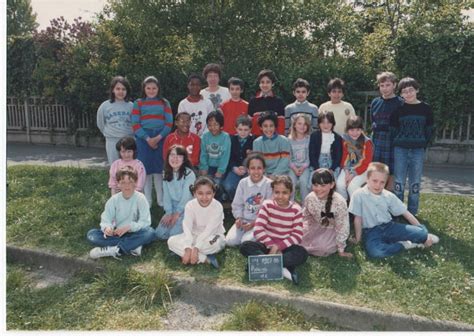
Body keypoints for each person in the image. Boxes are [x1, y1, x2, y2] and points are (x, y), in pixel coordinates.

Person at [348, 162, 439, 259]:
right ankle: (403, 245)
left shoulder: (388, 195)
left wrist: (423, 233)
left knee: (422, 233)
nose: (378, 185)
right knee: (376, 252)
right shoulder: (358, 195)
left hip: (389, 227)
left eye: (382, 182)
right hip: (371, 231)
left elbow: (406, 214)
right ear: (367, 179)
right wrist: (358, 239)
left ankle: (424, 235)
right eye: (375, 181)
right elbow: (357, 218)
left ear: (386, 182)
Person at [240, 176, 308, 285]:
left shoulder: (296, 209)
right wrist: (272, 246)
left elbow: (297, 235)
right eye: (277, 192)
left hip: (285, 247)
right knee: (245, 246)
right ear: (272, 192)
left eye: (284, 193)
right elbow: (258, 229)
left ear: (290, 192)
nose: (280, 196)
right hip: (266, 245)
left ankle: (260, 264)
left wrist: (278, 247)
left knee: (302, 253)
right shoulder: (267, 205)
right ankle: (284, 269)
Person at [87, 167, 156, 259]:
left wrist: (130, 227)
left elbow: (145, 222)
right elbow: (106, 218)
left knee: (150, 232)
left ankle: (115, 250)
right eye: (123, 182)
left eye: (130, 182)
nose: (127, 186)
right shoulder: (114, 200)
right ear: (118, 184)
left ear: (135, 183)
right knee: (92, 234)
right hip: (117, 234)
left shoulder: (141, 198)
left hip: (135, 232)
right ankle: (133, 246)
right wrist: (107, 227)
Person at [390, 77, 434, 215]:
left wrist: (422, 143)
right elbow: (393, 130)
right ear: (401, 94)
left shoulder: (426, 109)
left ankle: (412, 212)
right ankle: (398, 212)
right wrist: (400, 141)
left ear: (417, 90)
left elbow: (429, 130)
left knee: (415, 183)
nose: (408, 94)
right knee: (399, 182)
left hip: (417, 150)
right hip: (400, 150)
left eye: (411, 90)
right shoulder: (398, 109)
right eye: (404, 91)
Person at [131, 76, 173, 208]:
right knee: (146, 170)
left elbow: (169, 122)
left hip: (161, 138)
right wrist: (148, 138)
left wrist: (158, 137)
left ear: (158, 88)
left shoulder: (164, 102)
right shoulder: (138, 103)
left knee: (159, 169)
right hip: (144, 139)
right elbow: (135, 124)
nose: (151, 90)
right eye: (148, 88)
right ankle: (147, 199)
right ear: (144, 88)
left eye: (154, 88)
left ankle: (160, 199)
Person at [167, 176, 226, 268]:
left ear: (214, 193)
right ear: (194, 194)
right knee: (171, 241)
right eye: (200, 193)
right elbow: (187, 226)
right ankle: (204, 258)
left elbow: (209, 230)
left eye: (208, 193)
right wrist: (187, 247)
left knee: (215, 244)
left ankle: (189, 252)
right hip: (194, 235)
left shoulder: (217, 206)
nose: (204, 197)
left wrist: (196, 247)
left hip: (213, 235)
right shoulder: (190, 205)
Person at [300, 168, 352, 258]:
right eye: (315, 185)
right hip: (314, 225)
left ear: (332, 185)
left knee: (323, 248)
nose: (318, 189)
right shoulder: (310, 198)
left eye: (323, 185)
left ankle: (315, 247)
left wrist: (341, 249)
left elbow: (343, 227)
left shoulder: (339, 202)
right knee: (297, 237)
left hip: (331, 229)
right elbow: (305, 216)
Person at [225, 153, 272, 247]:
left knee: (246, 242)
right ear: (248, 170)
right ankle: (247, 235)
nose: (256, 171)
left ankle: (259, 234)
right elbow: (237, 204)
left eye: (259, 168)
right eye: (252, 168)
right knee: (230, 241)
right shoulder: (243, 183)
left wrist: (254, 223)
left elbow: (269, 210)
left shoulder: (269, 184)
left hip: (260, 221)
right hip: (244, 220)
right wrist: (239, 218)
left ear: (264, 169)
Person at [370, 72, 404, 190]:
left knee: (391, 173)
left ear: (394, 85)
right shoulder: (375, 102)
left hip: (393, 143)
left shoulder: (401, 103)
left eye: (388, 85)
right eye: (382, 85)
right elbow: (373, 121)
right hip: (377, 141)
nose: (384, 88)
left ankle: (389, 203)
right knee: (376, 171)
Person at [155, 145, 196, 240]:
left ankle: (189, 227)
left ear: (184, 159)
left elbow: (187, 196)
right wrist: (168, 212)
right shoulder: (166, 172)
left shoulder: (189, 174)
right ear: (167, 157)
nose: (175, 158)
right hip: (172, 206)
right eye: (172, 155)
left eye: (179, 156)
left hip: (186, 208)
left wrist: (177, 214)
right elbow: (167, 195)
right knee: (159, 234)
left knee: (173, 235)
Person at [96, 76, 134, 165]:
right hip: (112, 141)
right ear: (113, 90)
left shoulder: (131, 106)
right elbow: (100, 123)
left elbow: (135, 124)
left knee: (129, 167)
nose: (121, 91)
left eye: (123, 89)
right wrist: (109, 133)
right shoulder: (105, 106)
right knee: (115, 167)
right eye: (118, 89)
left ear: (127, 91)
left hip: (129, 140)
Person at [336, 116, 373, 200]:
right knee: (340, 185)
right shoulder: (344, 139)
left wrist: (353, 174)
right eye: (352, 130)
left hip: (363, 169)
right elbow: (344, 156)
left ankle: (357, 210)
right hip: (348, 167)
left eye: (358, 130)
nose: (355, 133)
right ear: (347, 130)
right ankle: (344, 205)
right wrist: (346, 171)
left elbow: (367, 162)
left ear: (362, 129)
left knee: (352, 186)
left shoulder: (367, 142)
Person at [199, 111, 231, 199]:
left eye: (216, 124)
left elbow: (225, 155)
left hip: (221, 167)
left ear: (221, 125)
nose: (213, 127)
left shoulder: (225, 137)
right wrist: (204, 168)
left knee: (216, 185)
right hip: (209, 167)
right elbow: (203, 153)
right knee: (205, 185)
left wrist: (220, 170)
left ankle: (219, 203)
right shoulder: (205, 136)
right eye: (210, 125)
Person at [222, 115, 255, 200]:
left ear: (250, 130)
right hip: (234, 169)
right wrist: (234, 168)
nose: (243, 132)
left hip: (249, 170)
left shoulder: (254, 140)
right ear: (236, 129)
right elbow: (228, 157)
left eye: (246, 130)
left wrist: (246, 167)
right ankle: (235, 202)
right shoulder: (231, 139)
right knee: (229, 186)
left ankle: (247, 204)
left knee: (248, 187)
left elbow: (255, 158)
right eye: (240, 129)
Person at [252, 111, 291, 179]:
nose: (268, 129)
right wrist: (265, 176)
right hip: (263, 174)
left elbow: (285, 161)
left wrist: (274, 175)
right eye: (265, 126)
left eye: (271, 126)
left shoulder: (284, 140)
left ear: (275, 126)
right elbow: (258, 162)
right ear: (261, 127)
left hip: (281, 174)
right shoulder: (257, 142)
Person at [248, 69, 285, 136]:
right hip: (256, 140)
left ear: (272, 83)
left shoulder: (278, 101)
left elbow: (281, 126)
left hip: (274, 141)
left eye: (268, 82)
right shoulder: (253, 101)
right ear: (259, 84)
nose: (265, 85)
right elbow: (249, 125)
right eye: (262, 82)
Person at [308, 111, 343, 177]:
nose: (326, 125)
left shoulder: (337, 137)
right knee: (312, 182)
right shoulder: (314, 136)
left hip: (332, 164)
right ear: (319, 124)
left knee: (332, 182)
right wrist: (317, 168)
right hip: (317, 163)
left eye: (328, 122)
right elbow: (311, 154)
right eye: (323, 122)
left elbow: (338, 155)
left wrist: (332, 169)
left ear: (333, 123)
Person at [288, 113, 312, 202]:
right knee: (291, 182)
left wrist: (303, 167)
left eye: (305, 124)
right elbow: (288, 157)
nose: (302, 126)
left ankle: (305, 205)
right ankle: (290, 203)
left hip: (305, 166)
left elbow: (310, 156)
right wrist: (294, 168)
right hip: (292, 166)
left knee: (304, 182)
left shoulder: (309, 139)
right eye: (299, 123)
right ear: (294, 125)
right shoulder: (289, 140)